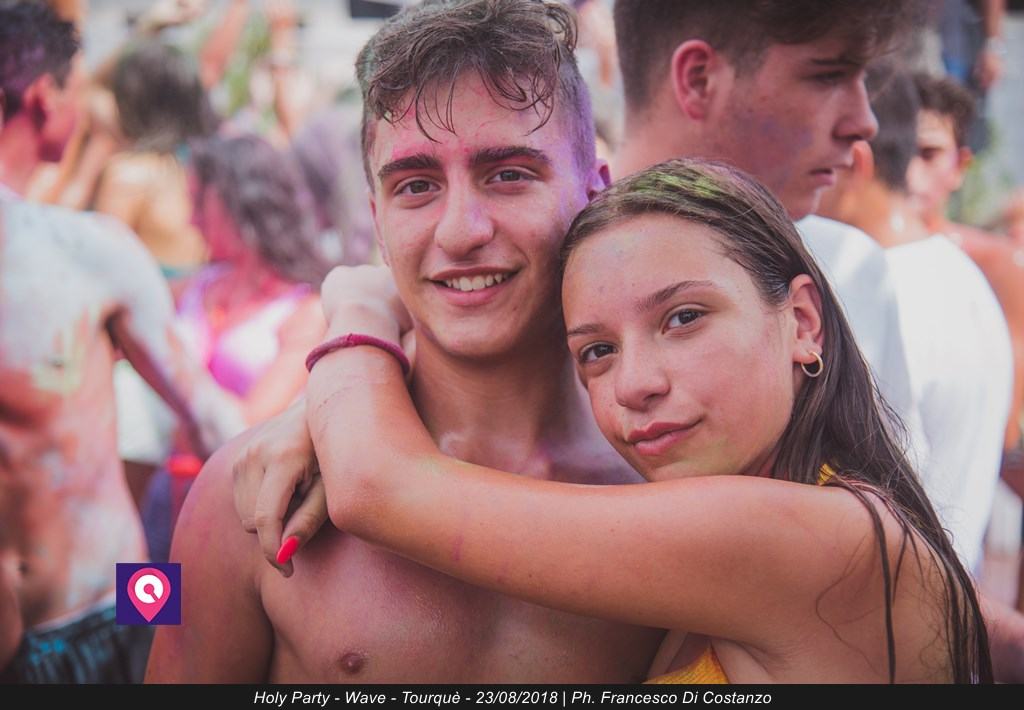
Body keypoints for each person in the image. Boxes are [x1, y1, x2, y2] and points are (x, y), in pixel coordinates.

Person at [300, 159, 991, 683]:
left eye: (684, 318)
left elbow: (375, 485)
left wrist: (360, 302)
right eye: (597, 352)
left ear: (803, 322)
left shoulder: (817, 540)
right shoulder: (811, 519)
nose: (635, 385)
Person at [146, 0, 663, 682]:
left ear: (595, 193)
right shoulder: (243, 490)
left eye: (508, 174)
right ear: (378, 221)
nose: (460, 230)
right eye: (416, 186)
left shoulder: (670, 479)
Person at [0, 1, 242, 683]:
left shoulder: (89, 237)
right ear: (44, 99)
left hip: (123, 601)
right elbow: (210, 418)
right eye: (79, 90)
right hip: (110, 607)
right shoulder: (85, 249)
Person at [610, 0, 923, 461]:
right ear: (699, 80)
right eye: (827, 76)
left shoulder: (850, 270)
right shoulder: (532, 277)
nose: (864, 122)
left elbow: (896, 500)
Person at [817, 64, 1011, 572]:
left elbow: (873, 492)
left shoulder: (881, 288)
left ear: (854, 160)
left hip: (897, 591)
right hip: (946, 584)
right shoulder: (953, 269)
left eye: (814, 155)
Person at [908, 72, 1024, 459]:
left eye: (928, 153)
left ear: (960, 164)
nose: (909, 171)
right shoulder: (849, 256)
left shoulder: (996, 264)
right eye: (897, 150)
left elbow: (1005, 426)